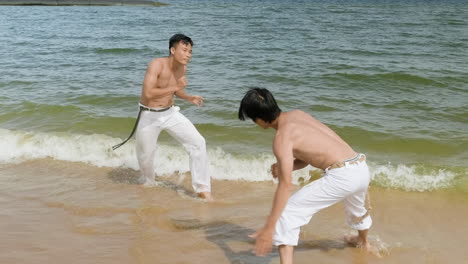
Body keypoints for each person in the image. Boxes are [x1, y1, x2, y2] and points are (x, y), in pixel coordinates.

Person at [238, 88, 373, 263]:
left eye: (252, 119)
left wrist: (269, 227)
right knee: (356, 209)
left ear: (260, 120)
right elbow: (310, 156)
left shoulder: (281, 138)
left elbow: (286, 185)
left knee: (286, 213)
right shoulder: (298, 114)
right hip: (360, 167)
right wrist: (286, 166)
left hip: (342, 176)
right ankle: (363, 242)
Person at [134, 34, 212, 201]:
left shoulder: (182, 68)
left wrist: (188, 97)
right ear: (172, 50)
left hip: (170, 113)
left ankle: (203, 189)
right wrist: (176, 87)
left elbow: (175, 90)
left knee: (198, 143)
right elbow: (148, 93)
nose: (188, 54)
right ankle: (148, 184)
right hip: (149, 114)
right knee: (145, 156)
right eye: (184, 50)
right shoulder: (156, 65)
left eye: (190, 51)